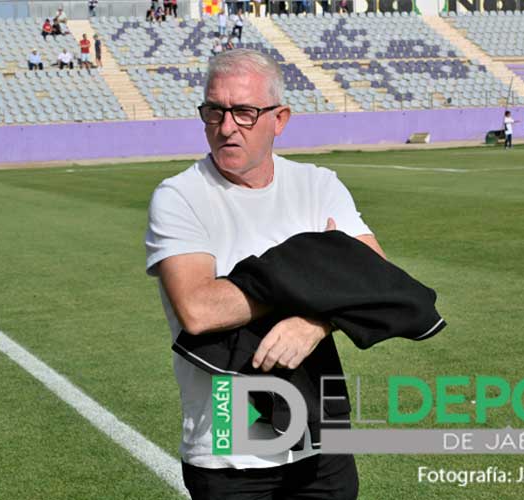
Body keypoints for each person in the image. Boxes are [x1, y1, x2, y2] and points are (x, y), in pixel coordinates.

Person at [144, 49, 376, 500]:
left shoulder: (318, 186)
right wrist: (323, 282)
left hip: (322, 442)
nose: (226, 126)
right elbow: (198, 309)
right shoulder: (180, 197)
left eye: (244, 112)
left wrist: (316, 322)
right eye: (215, 110)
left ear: (280, 118)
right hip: (229, 452)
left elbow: (376, 279)